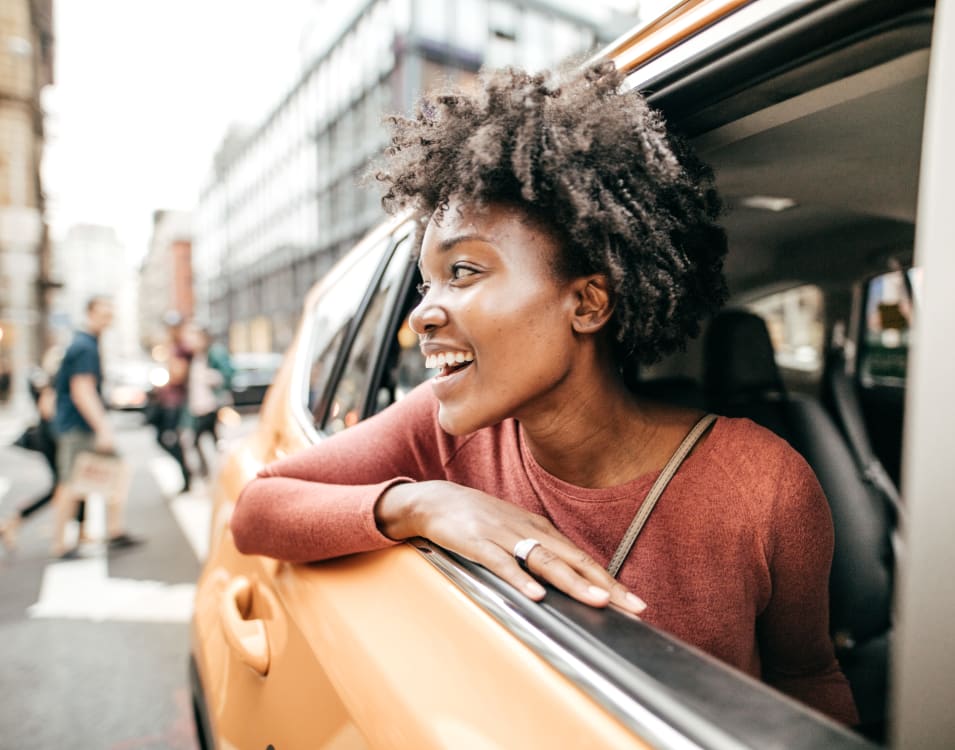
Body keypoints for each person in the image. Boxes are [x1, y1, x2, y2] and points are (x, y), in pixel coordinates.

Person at [229, 64, 858, 725]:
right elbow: (256, 510)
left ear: (585, 302)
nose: (423, 314)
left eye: (463, 272)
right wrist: (421, 504)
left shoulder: (762, 483)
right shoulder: (442, 432)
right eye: (425, 284)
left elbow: (807, 679)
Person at [49, 296, 141, 557]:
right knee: (71, 482)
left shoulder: (85, 343)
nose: (107, 318)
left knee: (84, 477)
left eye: (110, 313)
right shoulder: (85, 347)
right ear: (89, 313)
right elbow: (82, 391)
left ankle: (109, 531)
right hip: (78, 427)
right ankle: (62, 542)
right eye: (102, 313)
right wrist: (103, 428)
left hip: (76, 425)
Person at [0, 347, 88, 552]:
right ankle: (14, 521)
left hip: (54, 436)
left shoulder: (59, 379)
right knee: (63, 486)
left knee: (76, 481)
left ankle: (81, 530)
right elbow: (47, 410)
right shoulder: (56, 381)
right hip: (52, 438)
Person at [152, 311, 193, 492]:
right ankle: (186, 472)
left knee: (170, 439)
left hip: (176, 402)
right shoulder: (171, 347)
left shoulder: (181, 348)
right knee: (165, 438)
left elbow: (178, 375)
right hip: (167, 401)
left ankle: (186, 473)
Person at [185, 324, 232, 478]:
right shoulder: (195, 357)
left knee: (218, 441)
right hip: (199, 407)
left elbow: (228, 374)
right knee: (201, 440)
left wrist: (213, 377)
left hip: (213, 405)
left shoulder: (214, 353)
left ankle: (221, 472)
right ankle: (212, 473)